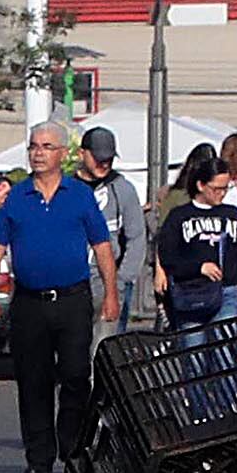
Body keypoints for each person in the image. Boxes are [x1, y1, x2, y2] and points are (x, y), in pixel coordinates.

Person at [0, 119, 119, 473]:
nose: (38, 154)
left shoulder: (80, 196)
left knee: (75, 374)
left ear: (61, 153)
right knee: (33, 379)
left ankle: (71, 445)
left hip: (73, 299)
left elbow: (102, 246)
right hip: (29, 302)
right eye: (33, 147)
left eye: (45, 147)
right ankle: (38, 456)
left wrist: (111, 293)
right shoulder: (16, 200)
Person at [154, 143, 237, 324]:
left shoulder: (233, 215)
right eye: (216, 189)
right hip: (190, 292)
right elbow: (168, 255)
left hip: (228, 291)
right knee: (194, 348)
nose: (222, 194)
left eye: (225, 188)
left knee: (224, 347)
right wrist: (198, 267)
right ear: (201, 185)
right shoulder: (180, 216)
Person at [77, 124, 149, 324]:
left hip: (109, 283)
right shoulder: (67, 188)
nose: (104, 164)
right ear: (82, 154)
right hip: (71, 285)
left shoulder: (123, 189)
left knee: (104, 347)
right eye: (99, 158)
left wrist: (122, 279)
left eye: (108, 159)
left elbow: (136, 236)